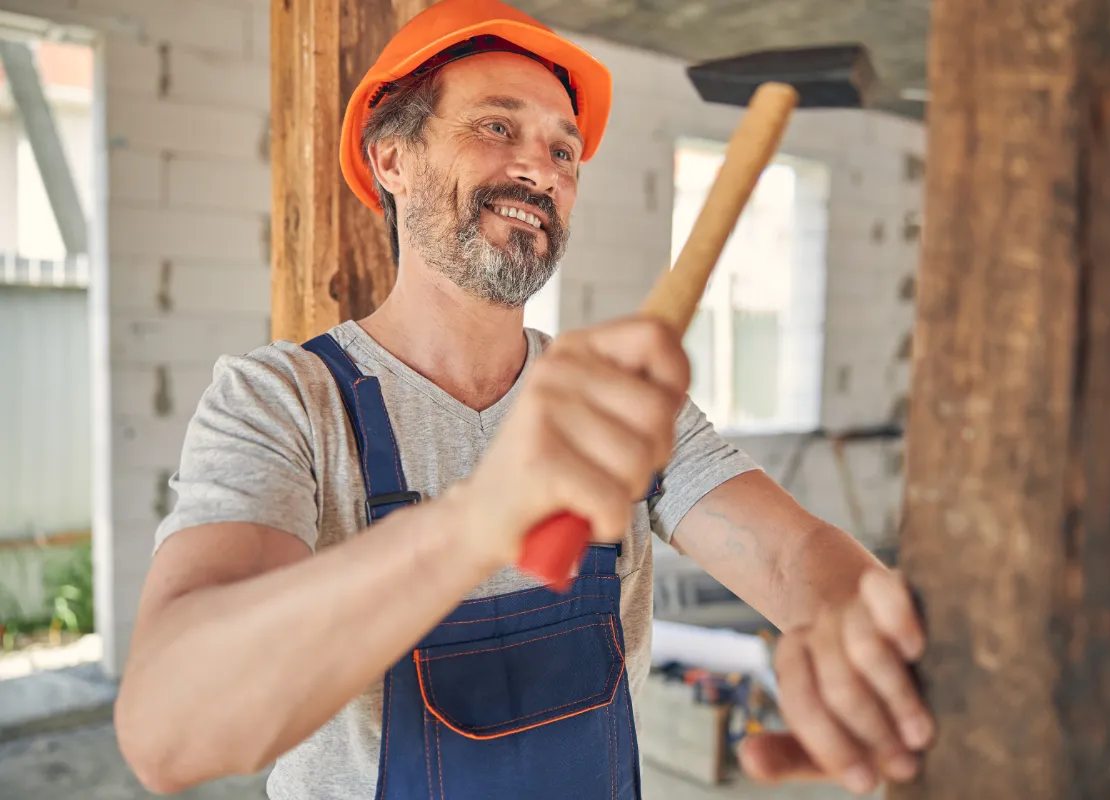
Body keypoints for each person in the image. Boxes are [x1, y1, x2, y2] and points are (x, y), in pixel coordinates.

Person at [113, 0, 933, 797]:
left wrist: (864, 642)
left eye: (564, 150)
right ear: (391, 160)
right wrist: (481, 518)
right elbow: (169, 733)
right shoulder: (285, 403)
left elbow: (795, 560)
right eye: (496, 127)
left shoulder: (622, 406)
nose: (541, 169)